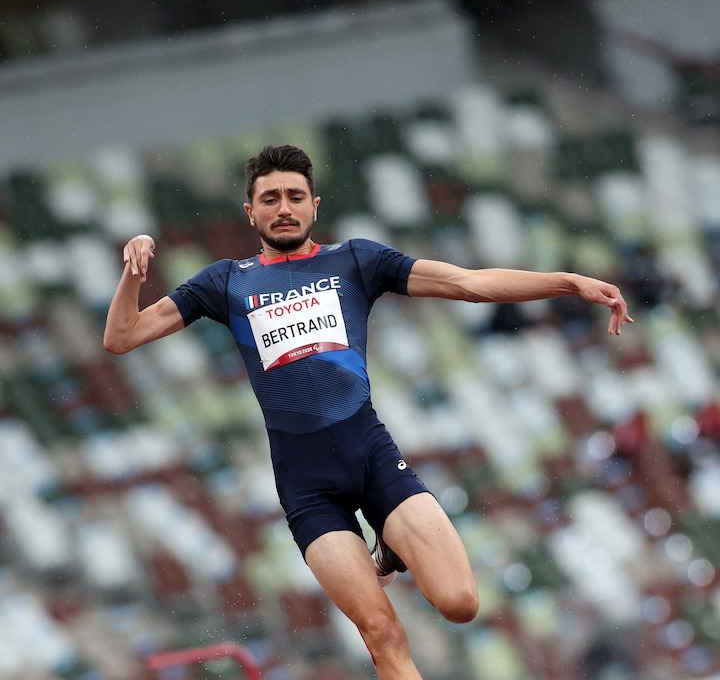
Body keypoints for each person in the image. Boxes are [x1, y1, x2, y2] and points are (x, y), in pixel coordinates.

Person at [104, 144, 633, 679]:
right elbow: (121, 337)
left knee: (459, 602)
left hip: (370, 455)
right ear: (251, 212)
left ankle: (390, 541)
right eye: (270, 199)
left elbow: (468, 284)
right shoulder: (225, 281)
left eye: (294, 196)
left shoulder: (355, 260)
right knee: (382, 633)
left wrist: (568, 282)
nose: (283, 207)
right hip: (307, 483)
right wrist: (133, 273)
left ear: (314, 205)